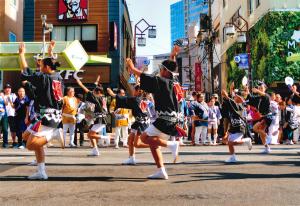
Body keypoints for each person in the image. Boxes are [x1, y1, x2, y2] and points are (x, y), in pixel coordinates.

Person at [125, 45, 181, 180]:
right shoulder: (174, 81)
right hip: (172, 119)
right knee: (153, 143)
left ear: (166, 71)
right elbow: (170, 69)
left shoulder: (160, 81)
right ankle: (161, 170)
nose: (160, 70)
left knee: (144, 138)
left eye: (162, 69)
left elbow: (145, 76)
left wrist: (132, 68)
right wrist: (172, 55)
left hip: (164, 119)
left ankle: (172, 145)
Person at [19, 42, 65, 180]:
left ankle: (54, 134)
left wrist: (21, 54)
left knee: (30, 145)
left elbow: (26, 72)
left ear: (46, 67)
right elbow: (53, 64)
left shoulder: (44, 78)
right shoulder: (58, 77)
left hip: (48, 116)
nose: (39, 67)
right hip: (50, 114)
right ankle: (41, 171)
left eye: (40, 65)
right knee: (25, 136)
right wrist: (51, 51)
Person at [107, 85, 150, 165]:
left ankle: (155, 145)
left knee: (137, 144)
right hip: (140, 121)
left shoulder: (135, 99)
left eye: (134, 90)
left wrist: (113, 94)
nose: (133, 91)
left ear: (138, 91)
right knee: (130, 140)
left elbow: (124, 99)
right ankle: (131, 158)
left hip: (142, 122)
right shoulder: (142, 99)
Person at [75, 78, 107, 156]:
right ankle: (95, 150)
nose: (93, 92)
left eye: (94, 92)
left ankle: (106, 138)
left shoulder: (98, 97)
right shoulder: (103, 97)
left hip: (100, 119)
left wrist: (80, 84)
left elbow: (87, 91)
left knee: (89, 135)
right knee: (91, 134)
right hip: (99, 118)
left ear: (98, 92)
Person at [222, 90, 252, 163]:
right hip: (234, 126)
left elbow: (230, 100)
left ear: (239, 98)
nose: (234, 98)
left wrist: (226, 95)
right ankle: (233, 157)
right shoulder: (238, 105)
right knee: (228, 142)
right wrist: (227, 132)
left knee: (231, 143)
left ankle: (247, 140)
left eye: (235, 97)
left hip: (239, 126)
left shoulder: (239, 105)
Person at [245, 81, 272, 154]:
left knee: (255, 128)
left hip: (267, 116)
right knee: (260, 132)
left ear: (265, 89)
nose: (260, 89)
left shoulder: (267, 96)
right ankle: (267, 147)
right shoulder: (258, 97)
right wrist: (247, 91)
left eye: (261, 88)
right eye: (259, 88)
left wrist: (257, 90)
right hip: (263, 117)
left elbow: (264, 95)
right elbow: (250, 98)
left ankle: (268, 137)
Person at [3, 83, 17, 148]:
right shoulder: (1, 96)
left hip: (12, 114)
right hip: (4, 115)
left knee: (13, 129)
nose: (8, 89)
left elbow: (14, 106)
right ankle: (5, 143)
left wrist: (10, 101)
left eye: (9, 88)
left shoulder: (13, 96)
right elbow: (4, 105)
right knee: (5, 129)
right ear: (4, 89)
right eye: (6, 88)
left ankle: (14, 142)